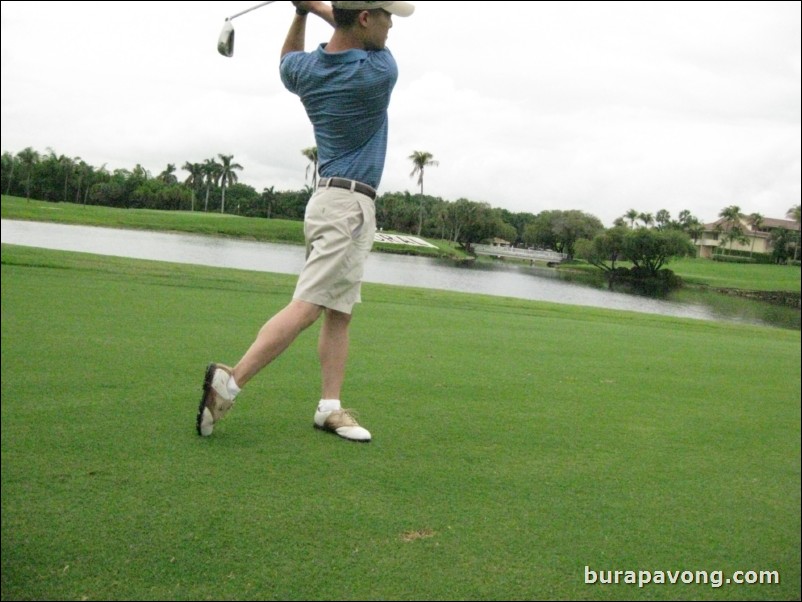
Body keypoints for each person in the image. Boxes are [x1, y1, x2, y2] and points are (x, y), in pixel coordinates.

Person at [196, 0, 415, 442]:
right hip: (345, 208)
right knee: (310, 305)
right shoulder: (378, 72)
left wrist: (299, 11)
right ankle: (230, 382)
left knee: (340, 309)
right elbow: (345, 24)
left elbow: (287, 62)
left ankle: (329, 408)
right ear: (367, 18)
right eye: (388, 17)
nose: (393, 26)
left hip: (338, 203)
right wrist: (315, 6)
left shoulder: (307, 72)